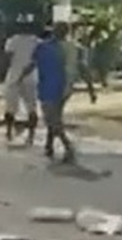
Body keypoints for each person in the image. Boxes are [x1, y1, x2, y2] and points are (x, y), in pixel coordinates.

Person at [18, 22, 97, 163]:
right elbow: (84, 69)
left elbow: (32, 64)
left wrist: (20, 77)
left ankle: (68, 146)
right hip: (66, 88)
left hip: (49, 87)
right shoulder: (74, 48)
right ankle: (49, 146)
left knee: (52, 118)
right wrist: (91, 89)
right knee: (55, 115)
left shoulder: (43, 47)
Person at [2, 15, 40, 144]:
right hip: (31, 77)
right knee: (32, 107)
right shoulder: (36, 41)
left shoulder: (12, 41)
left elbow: (7, 58)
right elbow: (36, 60)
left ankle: (9, 132)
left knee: (10, 106)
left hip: (14, 75)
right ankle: (31, 135)